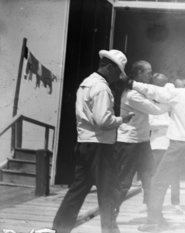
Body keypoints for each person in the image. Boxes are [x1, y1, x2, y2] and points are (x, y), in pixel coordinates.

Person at [52, 49, 133, 233]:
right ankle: (109, 230)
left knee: (78, 191)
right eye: (117, 72)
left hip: (85, 143)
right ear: (110, 68)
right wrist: (122, 119)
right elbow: (104, 121)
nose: (117, 77)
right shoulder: (102, 88)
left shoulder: (86, 83)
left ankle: (59, 228)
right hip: (100, 147)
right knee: (108, 193)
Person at [133, 67, 185, 233]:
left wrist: (132, 83)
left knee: (158, 182)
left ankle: (153, 223)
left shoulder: (181, 94)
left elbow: (155, 92)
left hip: (178, 144)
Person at [113, 61, 169, 212]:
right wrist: (173, 102)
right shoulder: (132, 95)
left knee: (150, 179)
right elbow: (155, 109)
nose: (151, 75)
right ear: (138, 74)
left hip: (142, 142)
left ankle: (155, 218)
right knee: (124, 182)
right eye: (148, 72)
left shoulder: (139, 91)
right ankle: (110, 220)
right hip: (129, 143)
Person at [149, 73, 183, 215]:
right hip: (157, 144)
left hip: (171, 143)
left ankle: (176, 203)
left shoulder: (170, 102)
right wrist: (170, 124)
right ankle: (156, 205)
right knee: (157, 176)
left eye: (164, 84)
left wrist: (165, 125)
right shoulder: (150, 102)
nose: (162, 87)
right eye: (159, 84)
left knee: (175, 175)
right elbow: (151, 124)